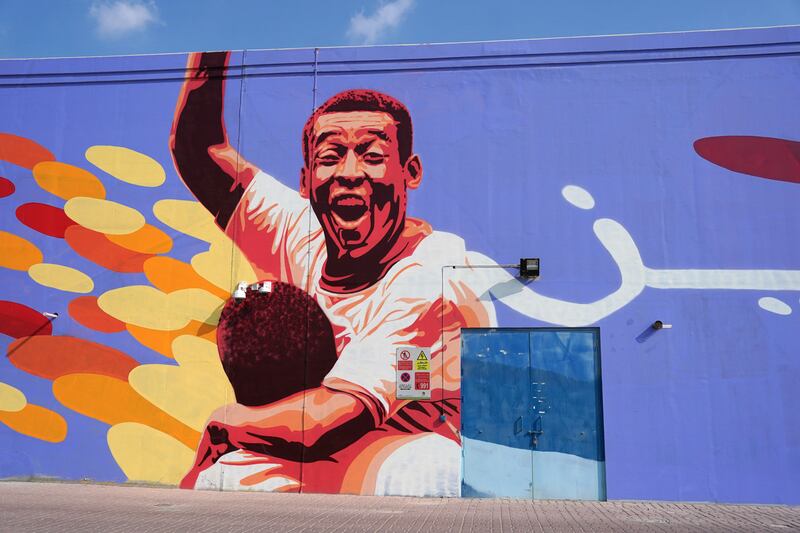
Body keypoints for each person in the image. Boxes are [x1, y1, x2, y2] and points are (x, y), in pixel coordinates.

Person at [170, 51, 493, 496]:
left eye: (372, 155)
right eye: (331, 156)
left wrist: (225, 421)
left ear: (410, 172)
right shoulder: (303, 233)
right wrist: (211, 46)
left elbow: (327, 421)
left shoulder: (433, 274)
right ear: (306, 181)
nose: (349, 172)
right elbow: (199, 153)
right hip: (330, 451)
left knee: (428, 467)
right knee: (228, 475)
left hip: (410, 460)